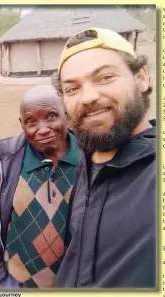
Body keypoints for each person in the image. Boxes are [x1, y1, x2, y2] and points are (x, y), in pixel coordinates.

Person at [50, 27, 156, 288]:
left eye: (105, 77)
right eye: (72, 89)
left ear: (141, 78)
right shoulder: (88, 157)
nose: (88, 97)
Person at [0, 85, 80, 288]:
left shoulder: (91, 159)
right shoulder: (2, 163)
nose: (43, 129)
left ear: (67, 115)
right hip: (18, 284)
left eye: (51, 116)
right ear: (21, 125)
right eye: (31, 122)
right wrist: (0, 281)